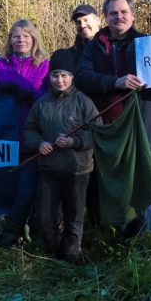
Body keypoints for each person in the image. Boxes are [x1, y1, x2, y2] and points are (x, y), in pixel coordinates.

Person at [76, 0, 151, 234]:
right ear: (105, 17)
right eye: (113, 13)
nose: (119, 17)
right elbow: (82, 77)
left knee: (142, 183)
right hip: (110, 130)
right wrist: (116, 82)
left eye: (124, 12)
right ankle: (125, 241)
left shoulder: (149, 44)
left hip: (142, 126)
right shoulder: (94, 47)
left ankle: (149, 240)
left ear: (133, 16)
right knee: (118, 187)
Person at [24, 50, 100, 262]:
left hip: (78, 170)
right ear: (49, 77)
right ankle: (54, 252)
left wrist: (74, 142)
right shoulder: (42, 103)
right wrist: (40, 144)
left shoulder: (84, 102)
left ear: (72, 76)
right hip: (48, 169)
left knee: (74, 216)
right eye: (55, 75)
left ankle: (72, 254)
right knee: (45, 217)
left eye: (64, 75)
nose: (60, 80)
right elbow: (29, 129)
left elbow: (97, 132)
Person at [0, 19, 50, 246]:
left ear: (33, 40)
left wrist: (29, 92)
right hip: (3, 138)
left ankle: (11, 235)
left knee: (26, 192)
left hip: (31, 138)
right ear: (10, 40)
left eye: (25, 37)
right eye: (16, 36)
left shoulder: (44, 65)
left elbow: (50, 96)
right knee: (2, 189)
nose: (21, 40)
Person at [44, 3, 102, 226]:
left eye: (86, 19)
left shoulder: (106, 49)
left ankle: (99, 227)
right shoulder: (71, 54)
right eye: (78, 22)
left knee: (99, 181)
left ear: (98, 20)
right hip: (74, 125)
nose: (82, 25)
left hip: (100, 121)